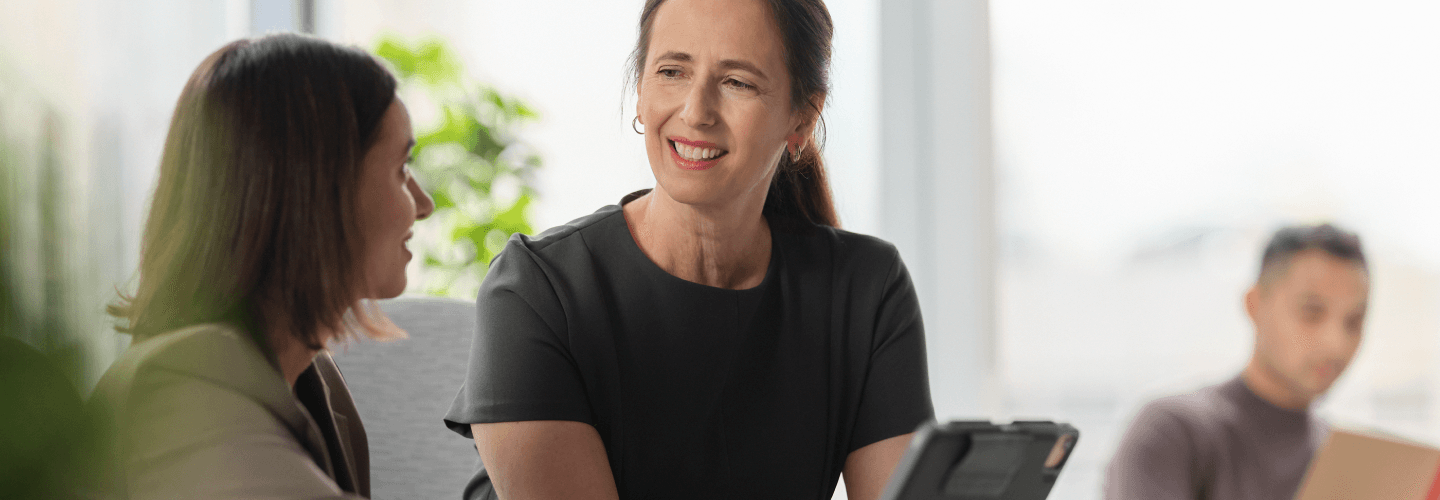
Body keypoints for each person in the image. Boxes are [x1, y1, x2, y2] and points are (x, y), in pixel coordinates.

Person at [442, 0, 933, 498]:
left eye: (737, 82)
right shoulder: (537, 291)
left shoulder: (866, 289)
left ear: (802, 118)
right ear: (640, 92)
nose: (696, 112)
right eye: (672, 71)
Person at [88, 33, 434, 499]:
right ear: (317, 190)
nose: (424, 204)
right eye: (401, 169)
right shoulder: (179, 392)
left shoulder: (313, 382)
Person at [1105, 223, 1370, 500]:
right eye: (1311, 312)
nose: (1336, 343)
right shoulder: (1171, 432)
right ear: (1255, 304)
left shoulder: (1351, 459)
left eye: (1355, 321)